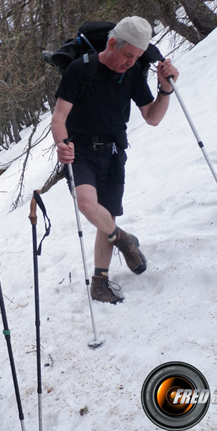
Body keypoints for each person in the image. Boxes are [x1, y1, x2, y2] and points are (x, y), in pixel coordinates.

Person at [50, 16, 179, 304]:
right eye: (127, 55)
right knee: (86, 204)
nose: (131, 62)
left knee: (106, 217)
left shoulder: (133, 74)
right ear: (112, 43)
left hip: (112, 152)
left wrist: (165, 89)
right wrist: (62, 144)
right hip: (80, 149)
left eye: (137, 57)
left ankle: (100, 282)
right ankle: (123, 239)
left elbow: (152, 117)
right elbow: (59, 117)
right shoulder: (80, 69)